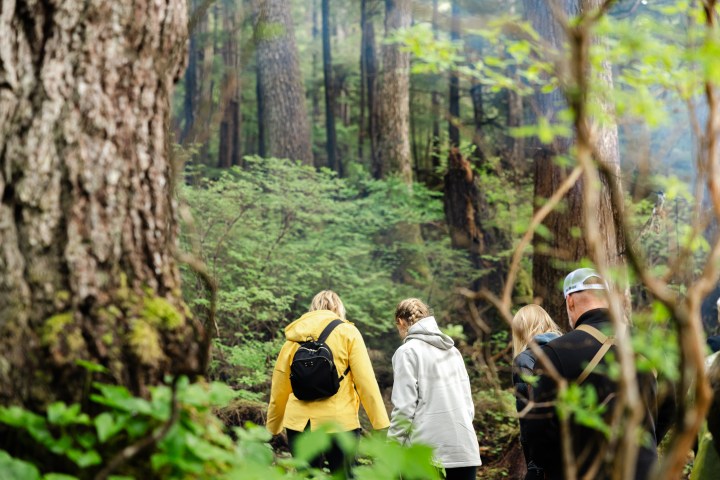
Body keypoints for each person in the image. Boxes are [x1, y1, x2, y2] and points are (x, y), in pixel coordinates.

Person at [526, 268, 674, 480]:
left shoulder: (554, 353)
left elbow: (537, 434)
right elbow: (670, 408)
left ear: (570, 301)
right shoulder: (651, 346)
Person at [266, 290, 390, 476]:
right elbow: (366, 382)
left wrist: (272, 427)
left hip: (301, 424)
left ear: (313, 308)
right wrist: (380, 423)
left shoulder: (294, 336)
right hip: (340, 422)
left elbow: (280, 387)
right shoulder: (348, 333)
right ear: (337, 308)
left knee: (306, 476)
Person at [388, 298, 482, 480]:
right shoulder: (453, 351)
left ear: (400, 322)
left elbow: (404, 409)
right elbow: (468, 406)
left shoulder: (407, 352)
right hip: (464, 451)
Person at [511, 304, 562, 479]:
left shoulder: (525, 359)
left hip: (543, 460)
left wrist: (534, 465)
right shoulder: (565, 350)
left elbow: (529, 416)